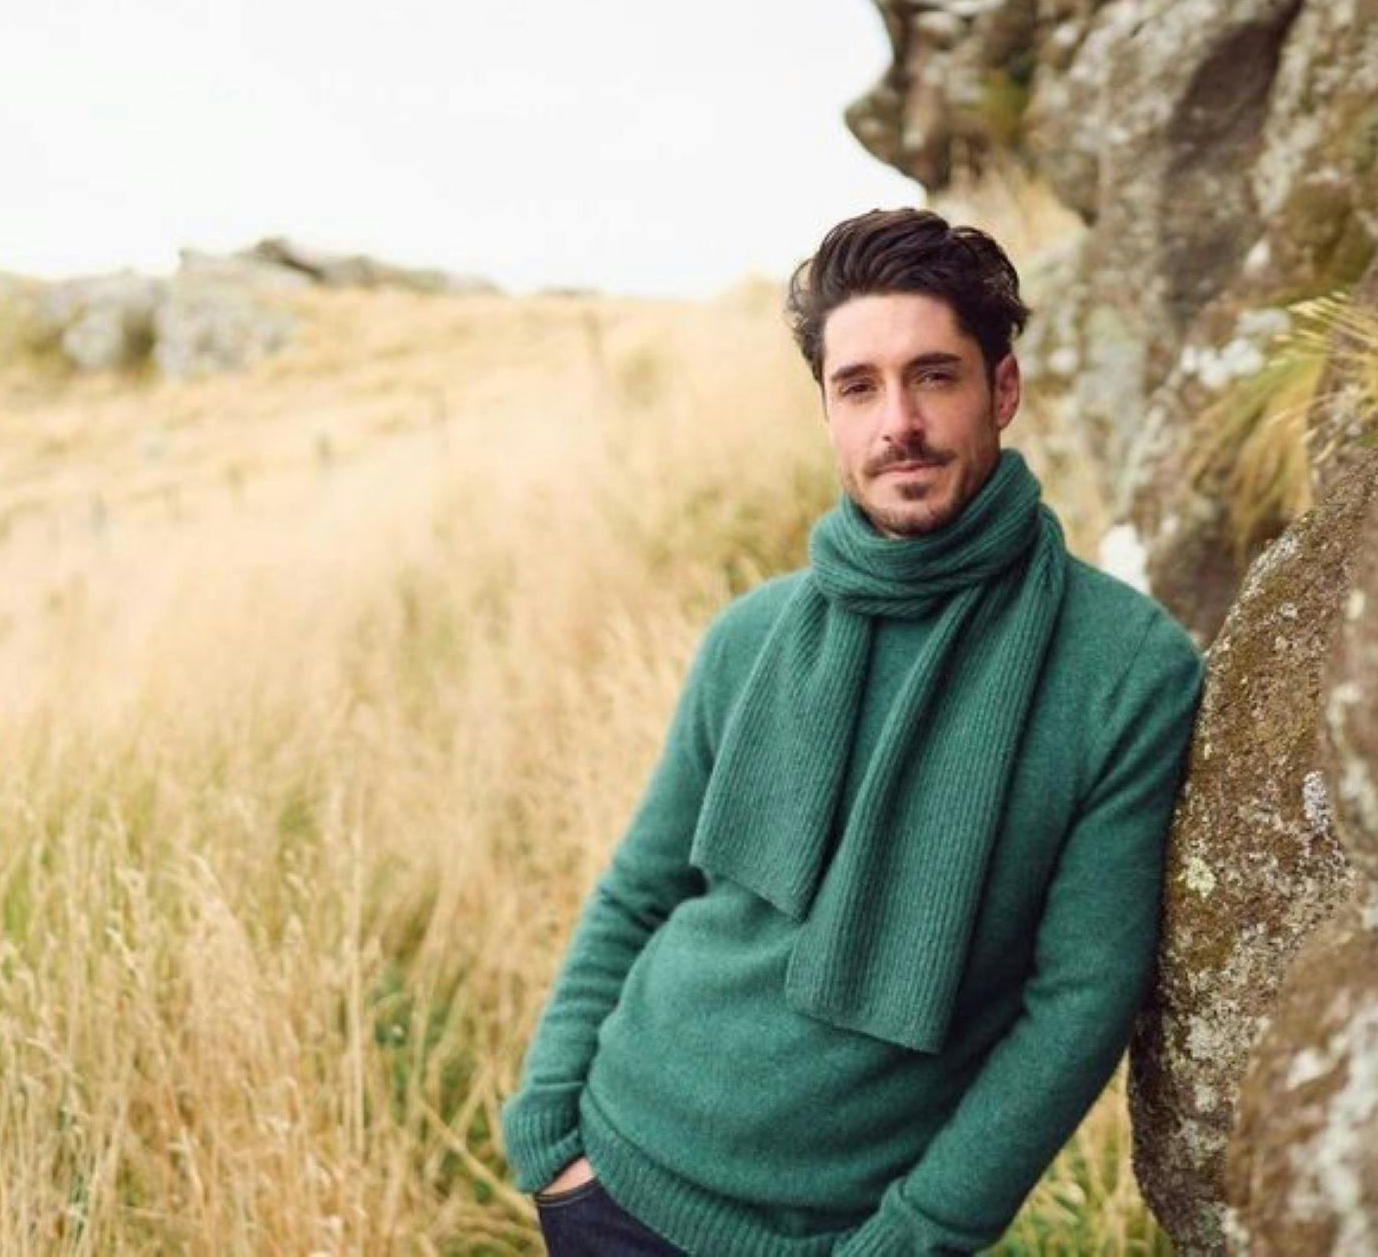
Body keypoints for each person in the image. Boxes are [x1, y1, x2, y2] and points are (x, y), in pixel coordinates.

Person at [500, 207, 1207, 1256]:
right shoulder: (752, 636)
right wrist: (550, 1125)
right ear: (827, 413)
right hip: (610, 1177)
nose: (898, 425)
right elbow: (642, 889)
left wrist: (913, 1240)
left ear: (1000, 388)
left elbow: (1075, 1008)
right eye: (858, 387)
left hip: (832, 1237)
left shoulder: (1124, 670)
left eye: (933, 375)